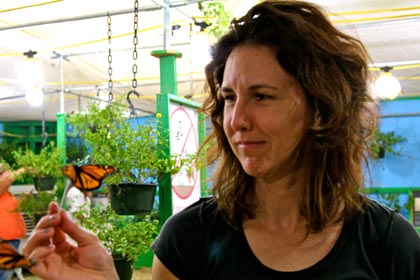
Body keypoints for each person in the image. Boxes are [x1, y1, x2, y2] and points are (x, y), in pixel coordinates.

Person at [22, 1, 420, 279]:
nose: (237, 120)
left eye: (262, 96)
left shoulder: (387, 246)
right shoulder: (190, 237)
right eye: (229, 98)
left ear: (320, 110)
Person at [0, 163, 26, 280]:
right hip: (3, 242)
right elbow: (7, 180)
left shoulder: (6, 194)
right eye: (6, 172)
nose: (10, 174)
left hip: (12, 242)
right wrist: (25, 169)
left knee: (5, 275)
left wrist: (24, 199)